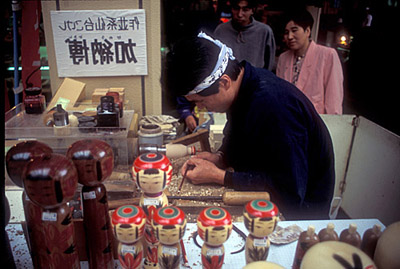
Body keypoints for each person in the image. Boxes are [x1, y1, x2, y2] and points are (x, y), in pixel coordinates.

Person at [167, 32, 335, 220]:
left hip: (301, 214)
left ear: (224, 82)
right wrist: (220, 158)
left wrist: (219, 176)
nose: (199, 108)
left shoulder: (276, 107)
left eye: (201, 101)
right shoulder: (244, 83)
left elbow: (289, 190)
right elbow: (236, 135)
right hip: (272, 188)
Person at [276, 9, 344, 114]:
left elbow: (334, 100)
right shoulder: (283, 58)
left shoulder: (327, 55)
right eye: (286, 32)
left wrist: (333, 124)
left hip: (314, 123)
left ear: (307, 31)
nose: (289, 37)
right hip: (287, 120)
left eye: (294, 30)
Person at [214, 0, 276, 70]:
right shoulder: (221, 30)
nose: (240, 14)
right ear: (232, 9)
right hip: (227, 78)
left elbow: (269, 64)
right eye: (236, 9)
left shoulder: (264, 31)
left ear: (252, 10)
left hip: (256, 78)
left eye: (245, 10)